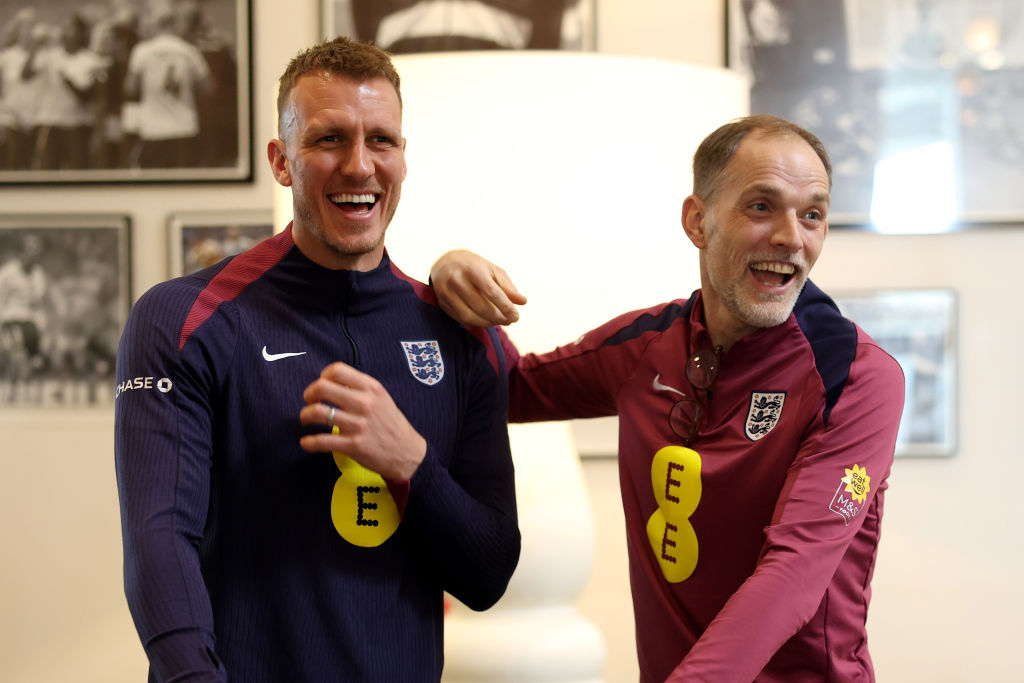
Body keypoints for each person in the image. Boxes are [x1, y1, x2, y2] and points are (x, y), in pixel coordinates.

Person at [430, 114, 905, 682]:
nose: (792, 237)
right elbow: (509, 390)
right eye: (761, 206)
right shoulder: (648, 346)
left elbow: (794, 574)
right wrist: (448, 282)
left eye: (813, 214)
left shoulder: (858, 377)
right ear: (698, 221)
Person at [114, 36, 520, 682]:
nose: (359, 166)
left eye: (380, 140)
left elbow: (487, 572)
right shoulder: (184, 318)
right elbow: (159, 545)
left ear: (404, 158)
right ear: (282, 161)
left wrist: (409, 462)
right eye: (330, 139)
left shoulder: (461, 334)